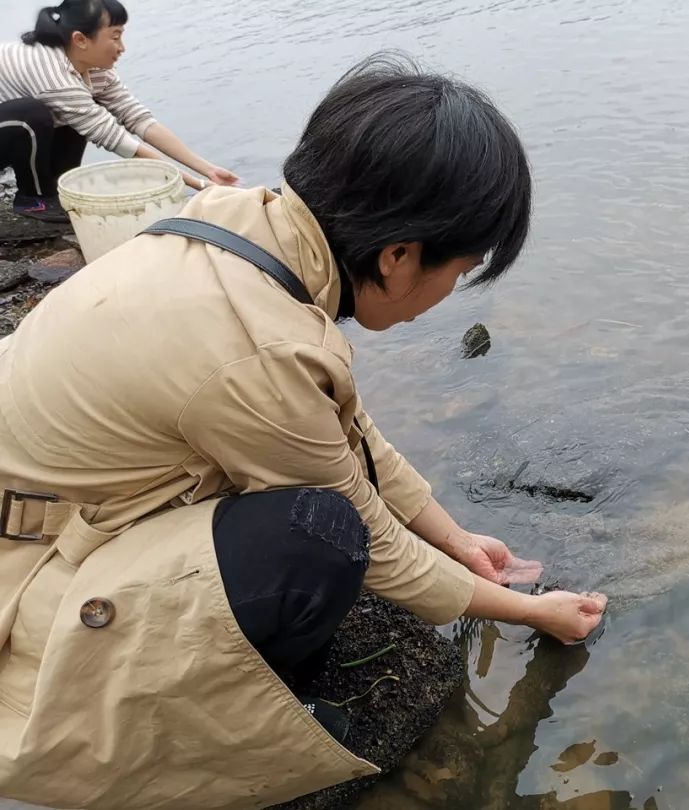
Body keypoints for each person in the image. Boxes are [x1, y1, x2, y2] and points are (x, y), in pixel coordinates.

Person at [0, 53, 607, 809]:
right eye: (462, 268)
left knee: (321, 509)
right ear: (399, 255)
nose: (452, 293)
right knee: (316, 538)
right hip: (28, 570)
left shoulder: (244, 221)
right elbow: (370, 536)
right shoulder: (259, 349)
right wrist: (534, 611)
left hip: (64, 495)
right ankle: (200, 712)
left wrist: (454, 538)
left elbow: (340, 428)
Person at [0, 0, 238, 223]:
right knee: (32, 114)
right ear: (81, 39)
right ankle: (34, 200)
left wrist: (208, 170)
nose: (122, 47)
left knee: (81, 111)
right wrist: (199, 185)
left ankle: (54, 189)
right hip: (11, 124)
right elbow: (118, 140)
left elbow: (138, 118)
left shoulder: (91, 69)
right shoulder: (52, 74)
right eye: (115, 37)